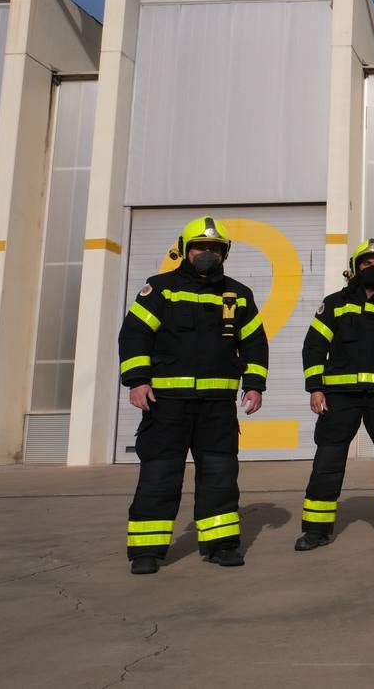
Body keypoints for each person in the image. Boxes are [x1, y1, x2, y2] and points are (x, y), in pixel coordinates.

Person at [119, 215, 268, 575]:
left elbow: (254, 343)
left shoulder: (238, 294)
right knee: (160, 474)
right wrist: (138, 381)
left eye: (215, 249)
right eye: (201, 247)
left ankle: (221, 545)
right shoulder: (160, 289)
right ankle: (147, 551)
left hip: (217, 407)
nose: (208, 253)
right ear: (185, 250)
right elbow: (135, 335)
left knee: (219, 474)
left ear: (224, 254)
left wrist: (254, 384)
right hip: (166, 405)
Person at [293, 238, 374, 550]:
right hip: (340, 397)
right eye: (366, 263)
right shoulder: (334, 304)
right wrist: (315, 387)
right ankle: (316, 530)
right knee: (328, 461)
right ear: (354, 268)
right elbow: (313, 347)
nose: (372, 267)